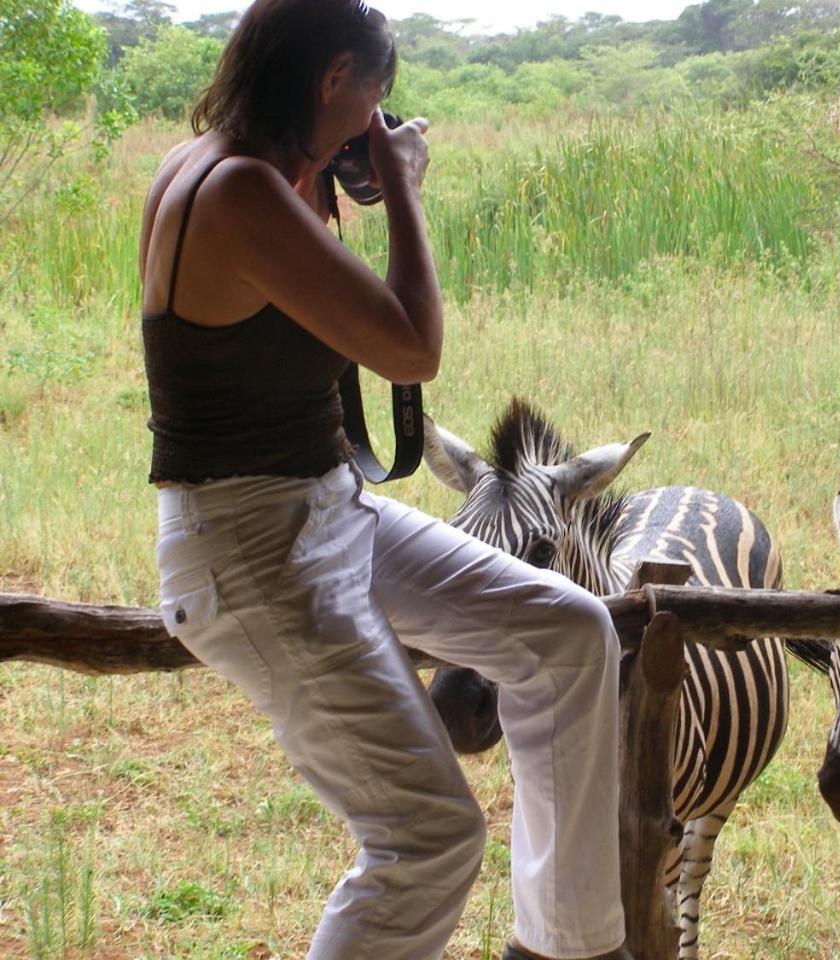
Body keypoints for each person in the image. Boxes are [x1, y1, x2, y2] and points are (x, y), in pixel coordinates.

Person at [139, 1, 631, 957]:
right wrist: (401, 185)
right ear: (332, 80)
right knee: (430, 839)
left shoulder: (245, 166)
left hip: (329, 510)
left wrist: (334, 168)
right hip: (250, 549)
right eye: (374, 98)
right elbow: (412, 349)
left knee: (572, 634)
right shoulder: (237, 191)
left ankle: (567, 944)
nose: (378, 121)